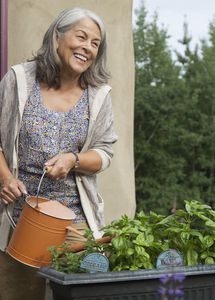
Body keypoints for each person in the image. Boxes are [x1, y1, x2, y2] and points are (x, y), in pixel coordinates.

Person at [0, 7, 117, 300]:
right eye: (81, 37)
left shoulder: (98, 95)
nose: (87, 48)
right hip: (18, 218)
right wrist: (5, 179)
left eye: (95, 44)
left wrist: (74, 160)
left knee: (82, 293)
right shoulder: (18, 81)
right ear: (57, 37)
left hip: (75, 219)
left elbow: (105, 153)